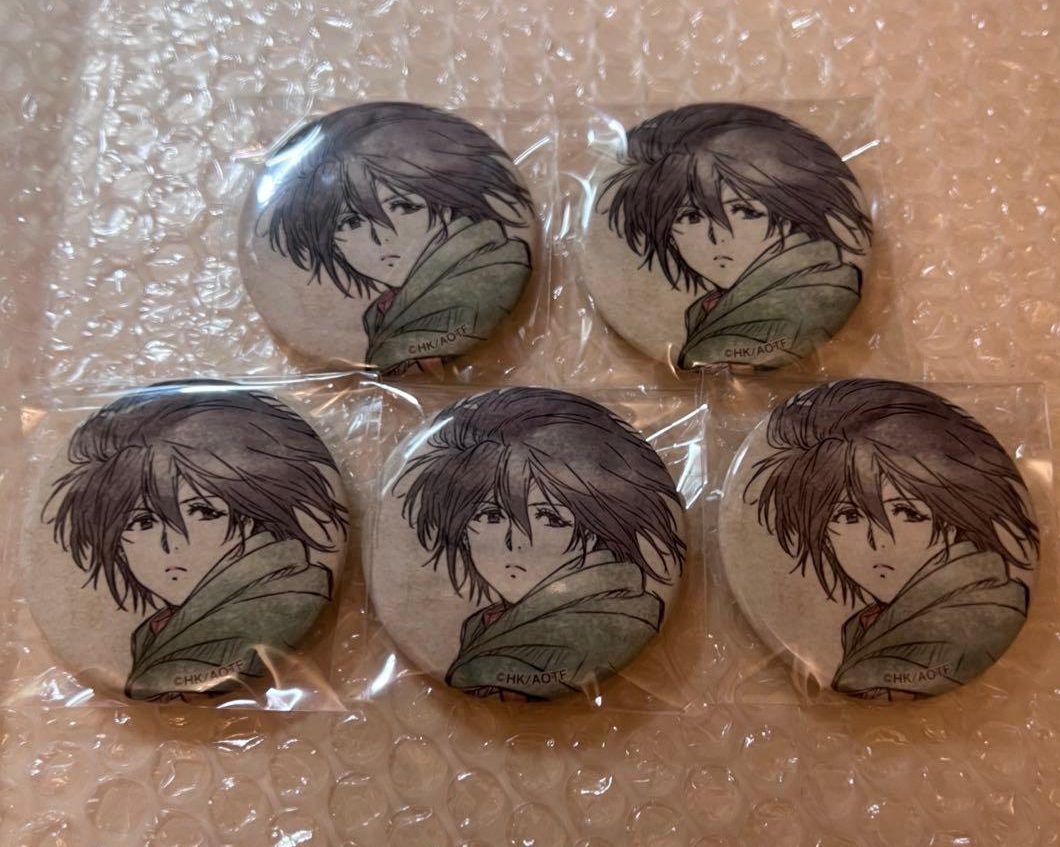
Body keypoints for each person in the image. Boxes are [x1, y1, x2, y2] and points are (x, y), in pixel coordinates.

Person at [44, 383, 349, 700]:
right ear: (117, 540)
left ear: (251, 515)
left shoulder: (265, 615)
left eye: (204, 512)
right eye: (143, 522)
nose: (171, 545)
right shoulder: (163, 631)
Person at [746, 379, 1039, 699]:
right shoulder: (869, 626)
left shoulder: (972, 622)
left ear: (955, 515)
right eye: (849, 516)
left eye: (908, 512)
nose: (878, 542)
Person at [396, 387, 686, 700]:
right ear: (462, 527)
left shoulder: (599, 631)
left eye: (550, 518)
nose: (514, 543)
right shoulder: (488, 627)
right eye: (491, 516)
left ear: (595, 529)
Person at [253, 102, 533, 370]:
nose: (381, 238)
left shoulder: (476, 286)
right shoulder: (388, 309)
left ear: (448, 205)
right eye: (350, 222)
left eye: (404, 207)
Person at [599, 103, 872, 369]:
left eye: (745, 211)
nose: (717, 237)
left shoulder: (786, 314)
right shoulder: (714, 309)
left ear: (792, 213)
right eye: (691, 217)